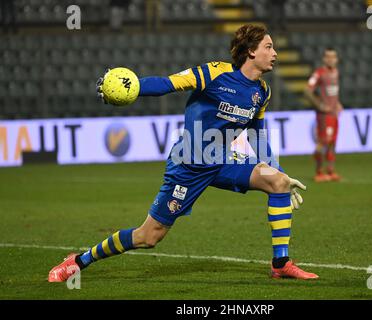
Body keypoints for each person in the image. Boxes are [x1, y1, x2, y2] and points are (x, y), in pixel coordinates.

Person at [48, 24, 319, 282]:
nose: (275, 53)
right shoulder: (215, 73)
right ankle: (78, 261)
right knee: (148, 236)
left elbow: (257, 135)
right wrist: (133, 88)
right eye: (269, 47)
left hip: (222, 160)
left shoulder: (262, 92)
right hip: (189, 163)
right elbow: (169, 83)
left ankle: (281, 264)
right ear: (251, 51)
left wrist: (276, 171)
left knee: (278, 182)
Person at [304, 48, 343, 182]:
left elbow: (332, 93)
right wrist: (320, 105)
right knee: (323, 142)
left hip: (334, 114)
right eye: (328, 57)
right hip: (324, 116)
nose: (331, 59)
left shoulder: (336, 72)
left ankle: (330, 171)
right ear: (324, 59)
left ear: (337, 59)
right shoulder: (319, 73)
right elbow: (307, 91)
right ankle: (319, 172)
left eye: (333, 57)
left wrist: (337, 103)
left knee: (332, 142)